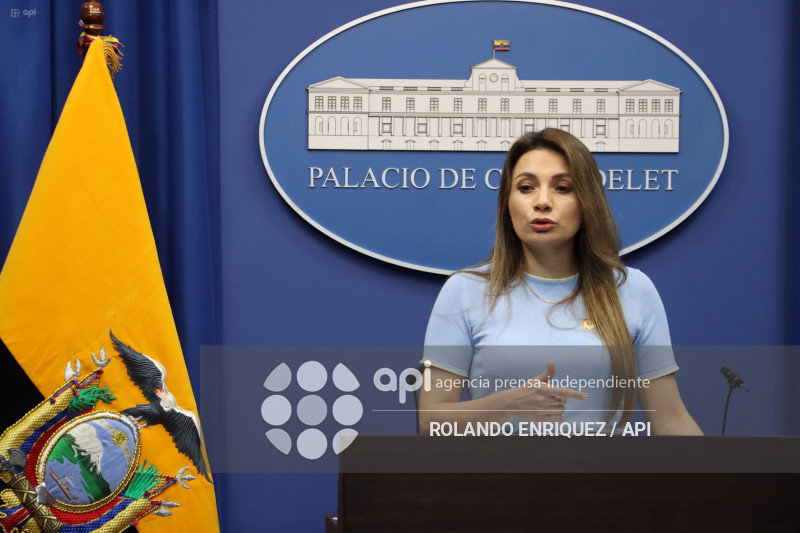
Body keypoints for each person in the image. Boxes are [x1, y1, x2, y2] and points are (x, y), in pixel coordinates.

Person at [420, 128, 702, 435]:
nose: (542, 202)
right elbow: (431, 420)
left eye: (563, 188)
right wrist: (508, 404)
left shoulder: (633, 290)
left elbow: (671, 419)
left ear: (586, 202)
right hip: (497, 478)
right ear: (507, 203)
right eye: (526, 187)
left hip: (605, 480)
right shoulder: (465, 291)